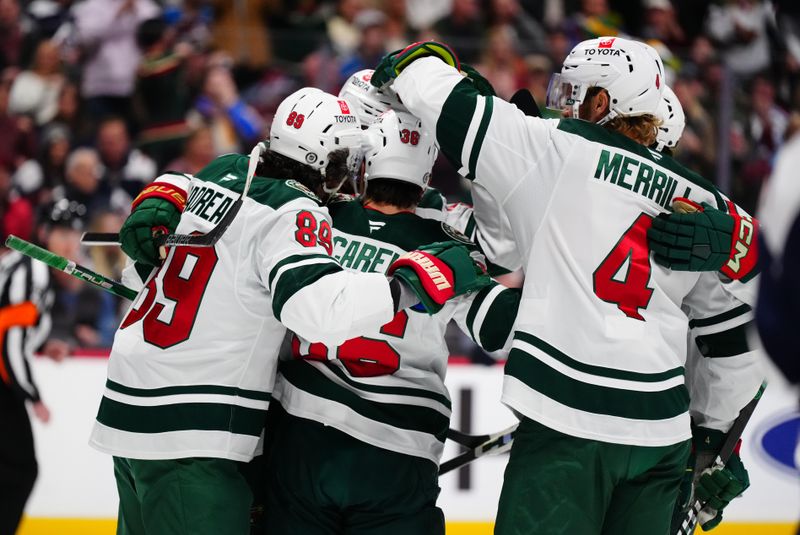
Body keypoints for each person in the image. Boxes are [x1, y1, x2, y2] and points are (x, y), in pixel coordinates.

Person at [370, 38, 763, 534]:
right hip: (659, 435)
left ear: (603, 102)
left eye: (574, 91)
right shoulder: (707, 202)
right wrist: (712, 439)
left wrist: (415, 64)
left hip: (565, 422)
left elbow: (446, 100)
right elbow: (736, 337)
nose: (563, 102)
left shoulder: (551, 146)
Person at [89, 87, 488, 535]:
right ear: (325, 159)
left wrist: (165, 187)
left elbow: (139, 274)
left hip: (128, 406)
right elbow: (316, 312)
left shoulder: (224, 171)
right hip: (195, 429)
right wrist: (411, 282)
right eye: (344, 161)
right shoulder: (296, 210)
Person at [264, 109, 520, 535]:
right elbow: (503, 328)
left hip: (301, 434)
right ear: (425, 179)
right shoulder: (444, 248)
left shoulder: (316, 220)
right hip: (398, 452)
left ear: (365, 163)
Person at [0, 201, 70, 535]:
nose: (70, 242)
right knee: (20, 470)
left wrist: (41, 344)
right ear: (44, 234)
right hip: (3, 383)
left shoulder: (21, 264)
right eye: (62, 233)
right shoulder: (36, 270)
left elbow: (15, 328)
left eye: (74, 233)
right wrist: (33, 395)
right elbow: (7, 338)